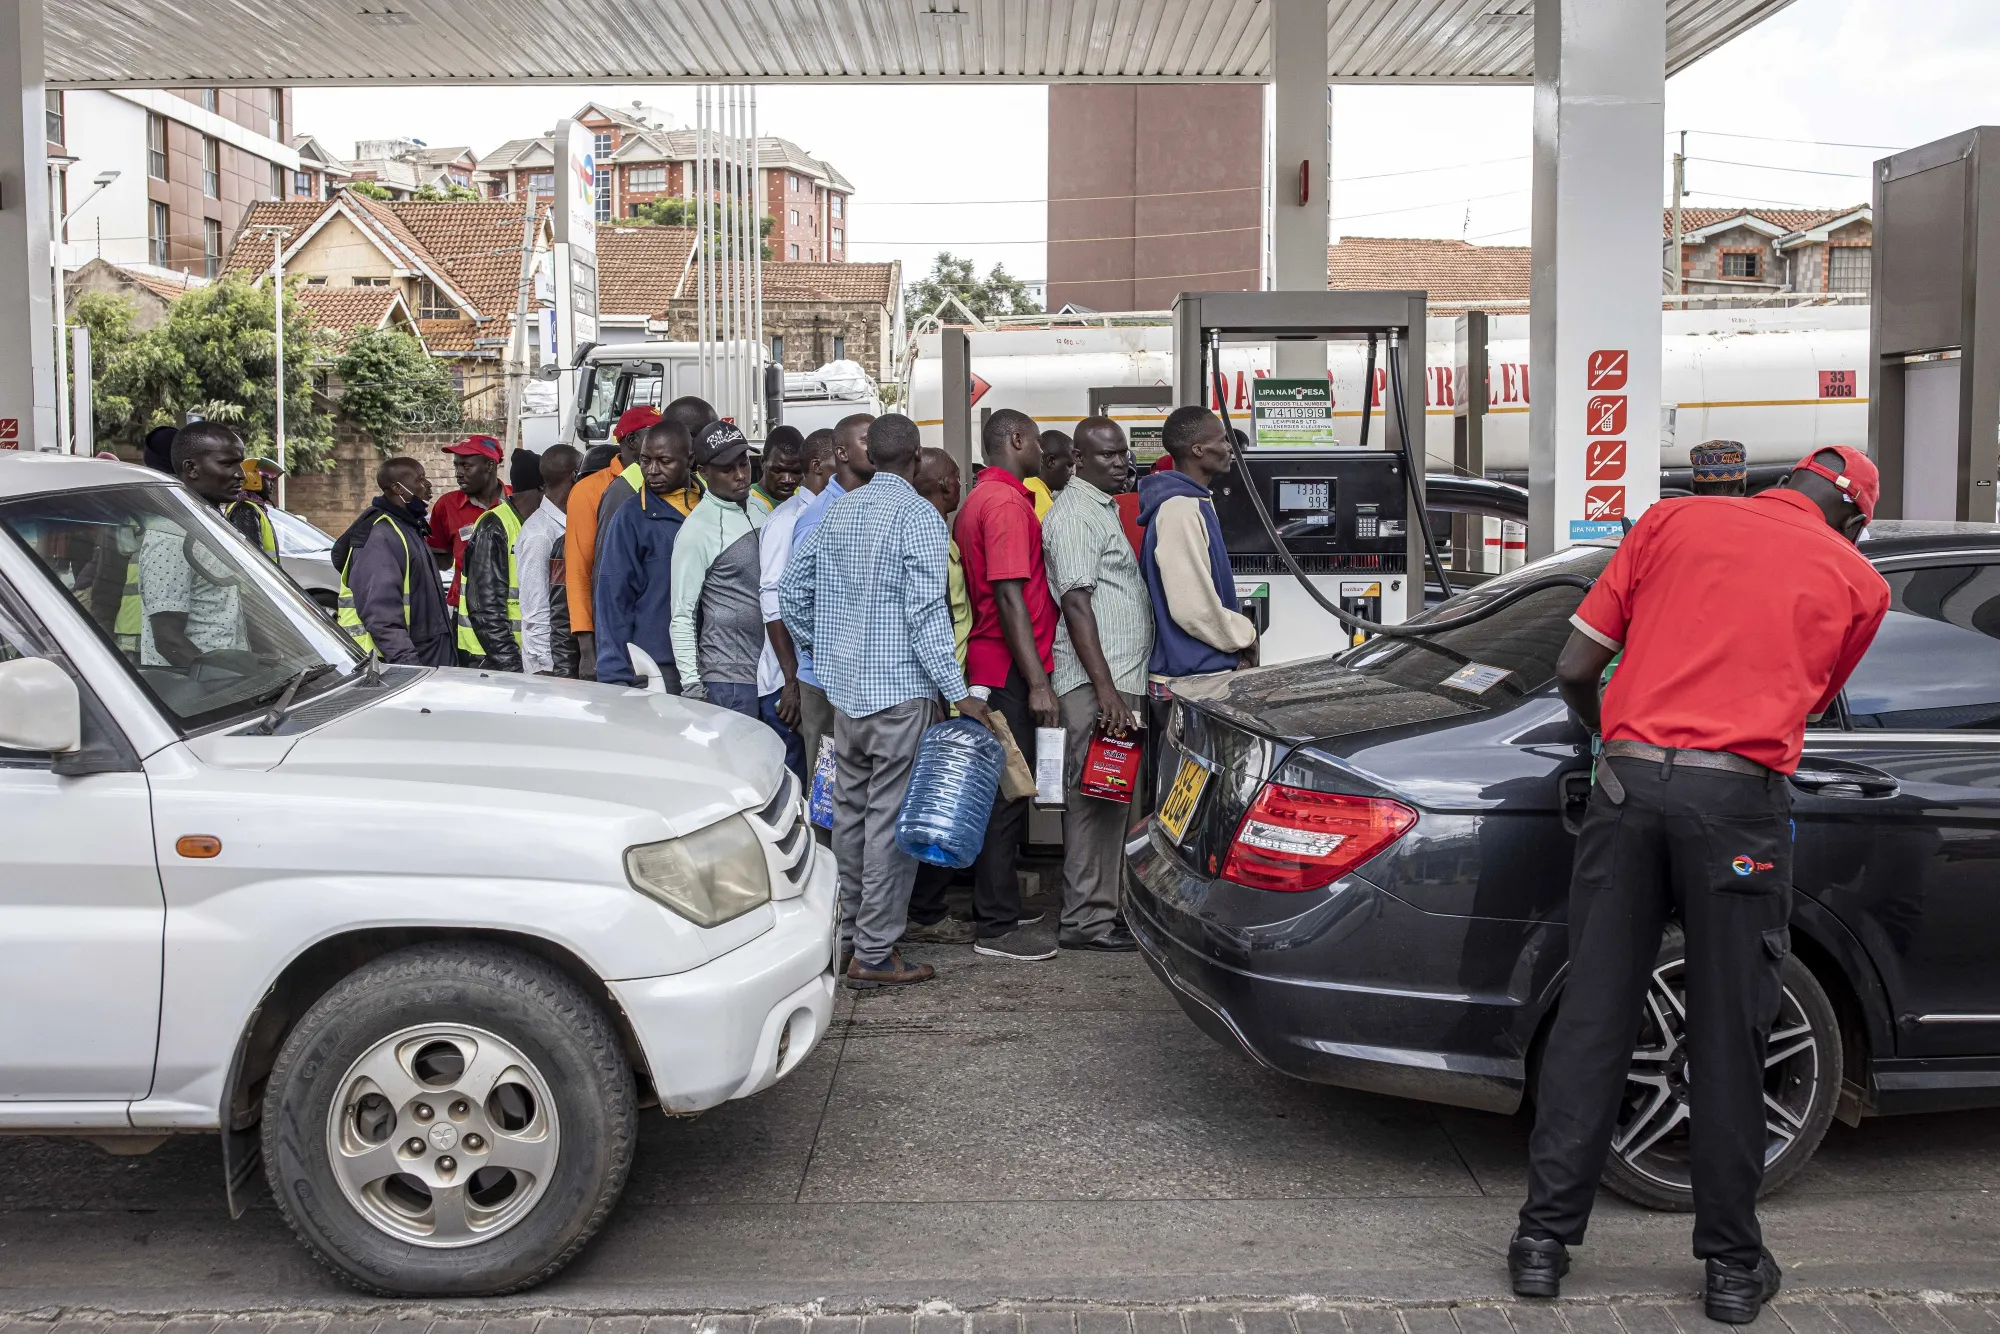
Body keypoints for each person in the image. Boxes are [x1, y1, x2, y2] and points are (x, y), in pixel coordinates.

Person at [1509, 447, 1891, 1326]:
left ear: (1781, 482)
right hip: (1738, 810)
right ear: (1853, 518)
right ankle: (1730, 1268)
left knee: (1594, 1014)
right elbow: (1810, 696)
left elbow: (1573, 667)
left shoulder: (1668, 521)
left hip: (1627, 789)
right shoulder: (1858, 581)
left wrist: (1618, 749)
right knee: (1730, 1031)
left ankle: (1541, 1245)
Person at [780, 414, 991, 990]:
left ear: (869, 452)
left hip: (847, 697)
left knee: (847, 816)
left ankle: (847, 936)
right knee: (889, 825)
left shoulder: (838, 508)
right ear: (917, 457)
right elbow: (927, 618)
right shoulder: (920, 517)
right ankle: (874, 954)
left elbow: (792, 592)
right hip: (901, 697)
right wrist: (957, 693)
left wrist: (824, 651)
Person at [955, 406, 1062, 962]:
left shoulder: (991, 496)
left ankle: (999, 908)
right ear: (1016, 439)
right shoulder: (1000, 503)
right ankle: (996, 927)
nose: (1043, 452)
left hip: (1000, 665)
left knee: (1009, 795)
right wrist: (1039, 683)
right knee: (1004, 798)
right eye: (1038, 442)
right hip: (1005, 669)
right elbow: (1008, 596)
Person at [1042, 417, 1151, 952]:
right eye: (1107, 455)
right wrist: (1107, 691)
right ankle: (1085, 921)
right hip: (1095, 686)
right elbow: (1077, 604)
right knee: (1093, 804)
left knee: (1112, 805)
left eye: (1122, 453)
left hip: (1116, 679)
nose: (1119, 462)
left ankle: (1102, 913)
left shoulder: (1099, 509)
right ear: (1079, 460)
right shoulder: (1075, 515)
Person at [903, 445, 978, 947]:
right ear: (941, 485)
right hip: (939, 687)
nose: (959, 484)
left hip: (949, 681)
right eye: (954, 476)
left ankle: (924, 905)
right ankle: (924, 908)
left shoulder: (941, 530)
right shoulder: (927, 531)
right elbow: (930, 620)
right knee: (932, 797)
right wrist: (953, 693)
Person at [788, 414, 876, 780]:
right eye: (868, 440)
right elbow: (794, 597)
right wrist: (826, 648)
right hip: (824, 685)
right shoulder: (818, 517)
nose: (877, 446)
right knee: (828, 796)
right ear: (841, 452)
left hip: (866, 682)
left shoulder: (875, 505)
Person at [137, 421, 252, 668]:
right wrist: (217, 679)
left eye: (239, 463)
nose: (241, 474)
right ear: (191, 468)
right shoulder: (171, 538)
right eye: (227, 463)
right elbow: (168, 639)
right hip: (199, 694)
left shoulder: (212, 528)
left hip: (234, 686)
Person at [671, 421, 767, 716]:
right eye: (727, 469)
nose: (740, 475)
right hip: (728, 681)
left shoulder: (762, 508)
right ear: (703, 472)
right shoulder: (696, 530)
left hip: (771, 675)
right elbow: (682, 614)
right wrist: (692, 685)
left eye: (744, 464)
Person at [758, 428, 834, 778]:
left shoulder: (829, 510)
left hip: (813, 676)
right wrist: (792, 682)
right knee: (806, 781)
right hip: (789, 681)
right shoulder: (787, 520)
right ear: (819, 466)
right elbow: (774, 602)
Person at [594, 421, 692, 688]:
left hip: (710, 666)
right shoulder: (630, 517)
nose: (652, 470)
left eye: (664, 461)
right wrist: (615, 676)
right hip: (657, 669)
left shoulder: (710, 509)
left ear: (690, 460)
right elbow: (613, 600)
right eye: (645, 461)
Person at [332, 456, 456, 667]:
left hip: (430, 657)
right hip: (401, 664)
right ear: (398, 488)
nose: (428, 484)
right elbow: (381, 615)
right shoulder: (380, 534)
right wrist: (410, 666)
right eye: (420, 478)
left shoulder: (408, 527)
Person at [567, 406, 661, 680]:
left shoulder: (662, 482)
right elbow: (580, 571)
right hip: (609, 633)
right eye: (653, 434)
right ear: (632, 441)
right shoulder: (589, 491)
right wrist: (588, 649)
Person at [598, 395, 711, 538]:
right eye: (703, 438)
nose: (710, 446)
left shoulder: (701, 479)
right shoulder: (623, 490)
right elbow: (610, 556)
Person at [517, 444, 581, 676]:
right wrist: (545, 667)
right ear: (575, 475)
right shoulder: (540, 534)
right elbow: (535, 608)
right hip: (549, 667)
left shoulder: (565, 522)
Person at [428, 434, 509, 615]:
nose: (458, 473)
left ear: (490, 466)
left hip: (512, 610)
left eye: (466, 466)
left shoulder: (518, 501)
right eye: (456, 465)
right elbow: (441, 559)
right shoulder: (447, 505)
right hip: (466, 614)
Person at [224, 457, 282, 562]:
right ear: (254, 479)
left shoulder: (254, 507)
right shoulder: (246, 509)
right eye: (268, 479)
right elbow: (253, 558)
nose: (272, 484)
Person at [749, 424, 807, 518]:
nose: (788, 480)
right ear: (763, 463)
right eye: (778, 470)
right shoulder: (746, 503)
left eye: (796, 472)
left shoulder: (805, 500)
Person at [1025, 428, 1074, 520]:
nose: (1072, 472)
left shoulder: (1024, 482)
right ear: (1051, 462)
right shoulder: (1044, 506)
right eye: (1069, 465)